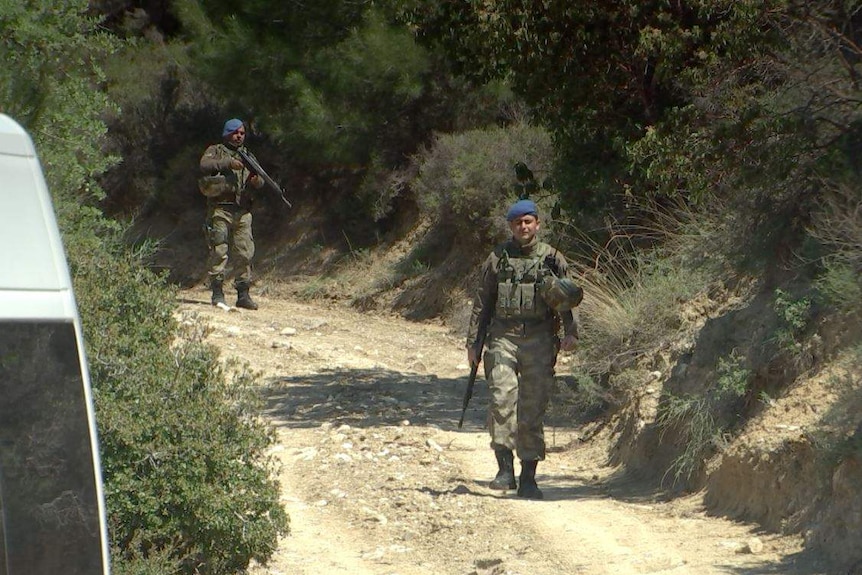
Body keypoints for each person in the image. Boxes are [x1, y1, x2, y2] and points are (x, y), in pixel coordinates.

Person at [465, 198, 582, 499]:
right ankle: (505, 470)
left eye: (528, 221)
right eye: (517, 222)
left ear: (537, 224)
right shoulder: (497, 258)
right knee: (502, 399)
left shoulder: (553, 258)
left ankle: (529, 476)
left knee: (532, 409)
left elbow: (568, 298)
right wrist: (474, 343)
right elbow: (483, 302)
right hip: (503, 336)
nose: (523, 226)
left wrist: (571, 331)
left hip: (540, 339)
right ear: (511, 226)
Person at [198, 118, 265, 310]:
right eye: (235, 132)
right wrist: (228, 163)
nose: (239, 136)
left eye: (242, 133)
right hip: (220, 208)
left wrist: (255, 181)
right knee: (219, 250)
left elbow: (259, 181)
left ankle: (243, 294)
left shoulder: (248, 155)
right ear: (227, 133)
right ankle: (217, 293)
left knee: (245, 252)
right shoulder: (216, 150)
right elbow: (204, 165)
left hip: (242, 211)